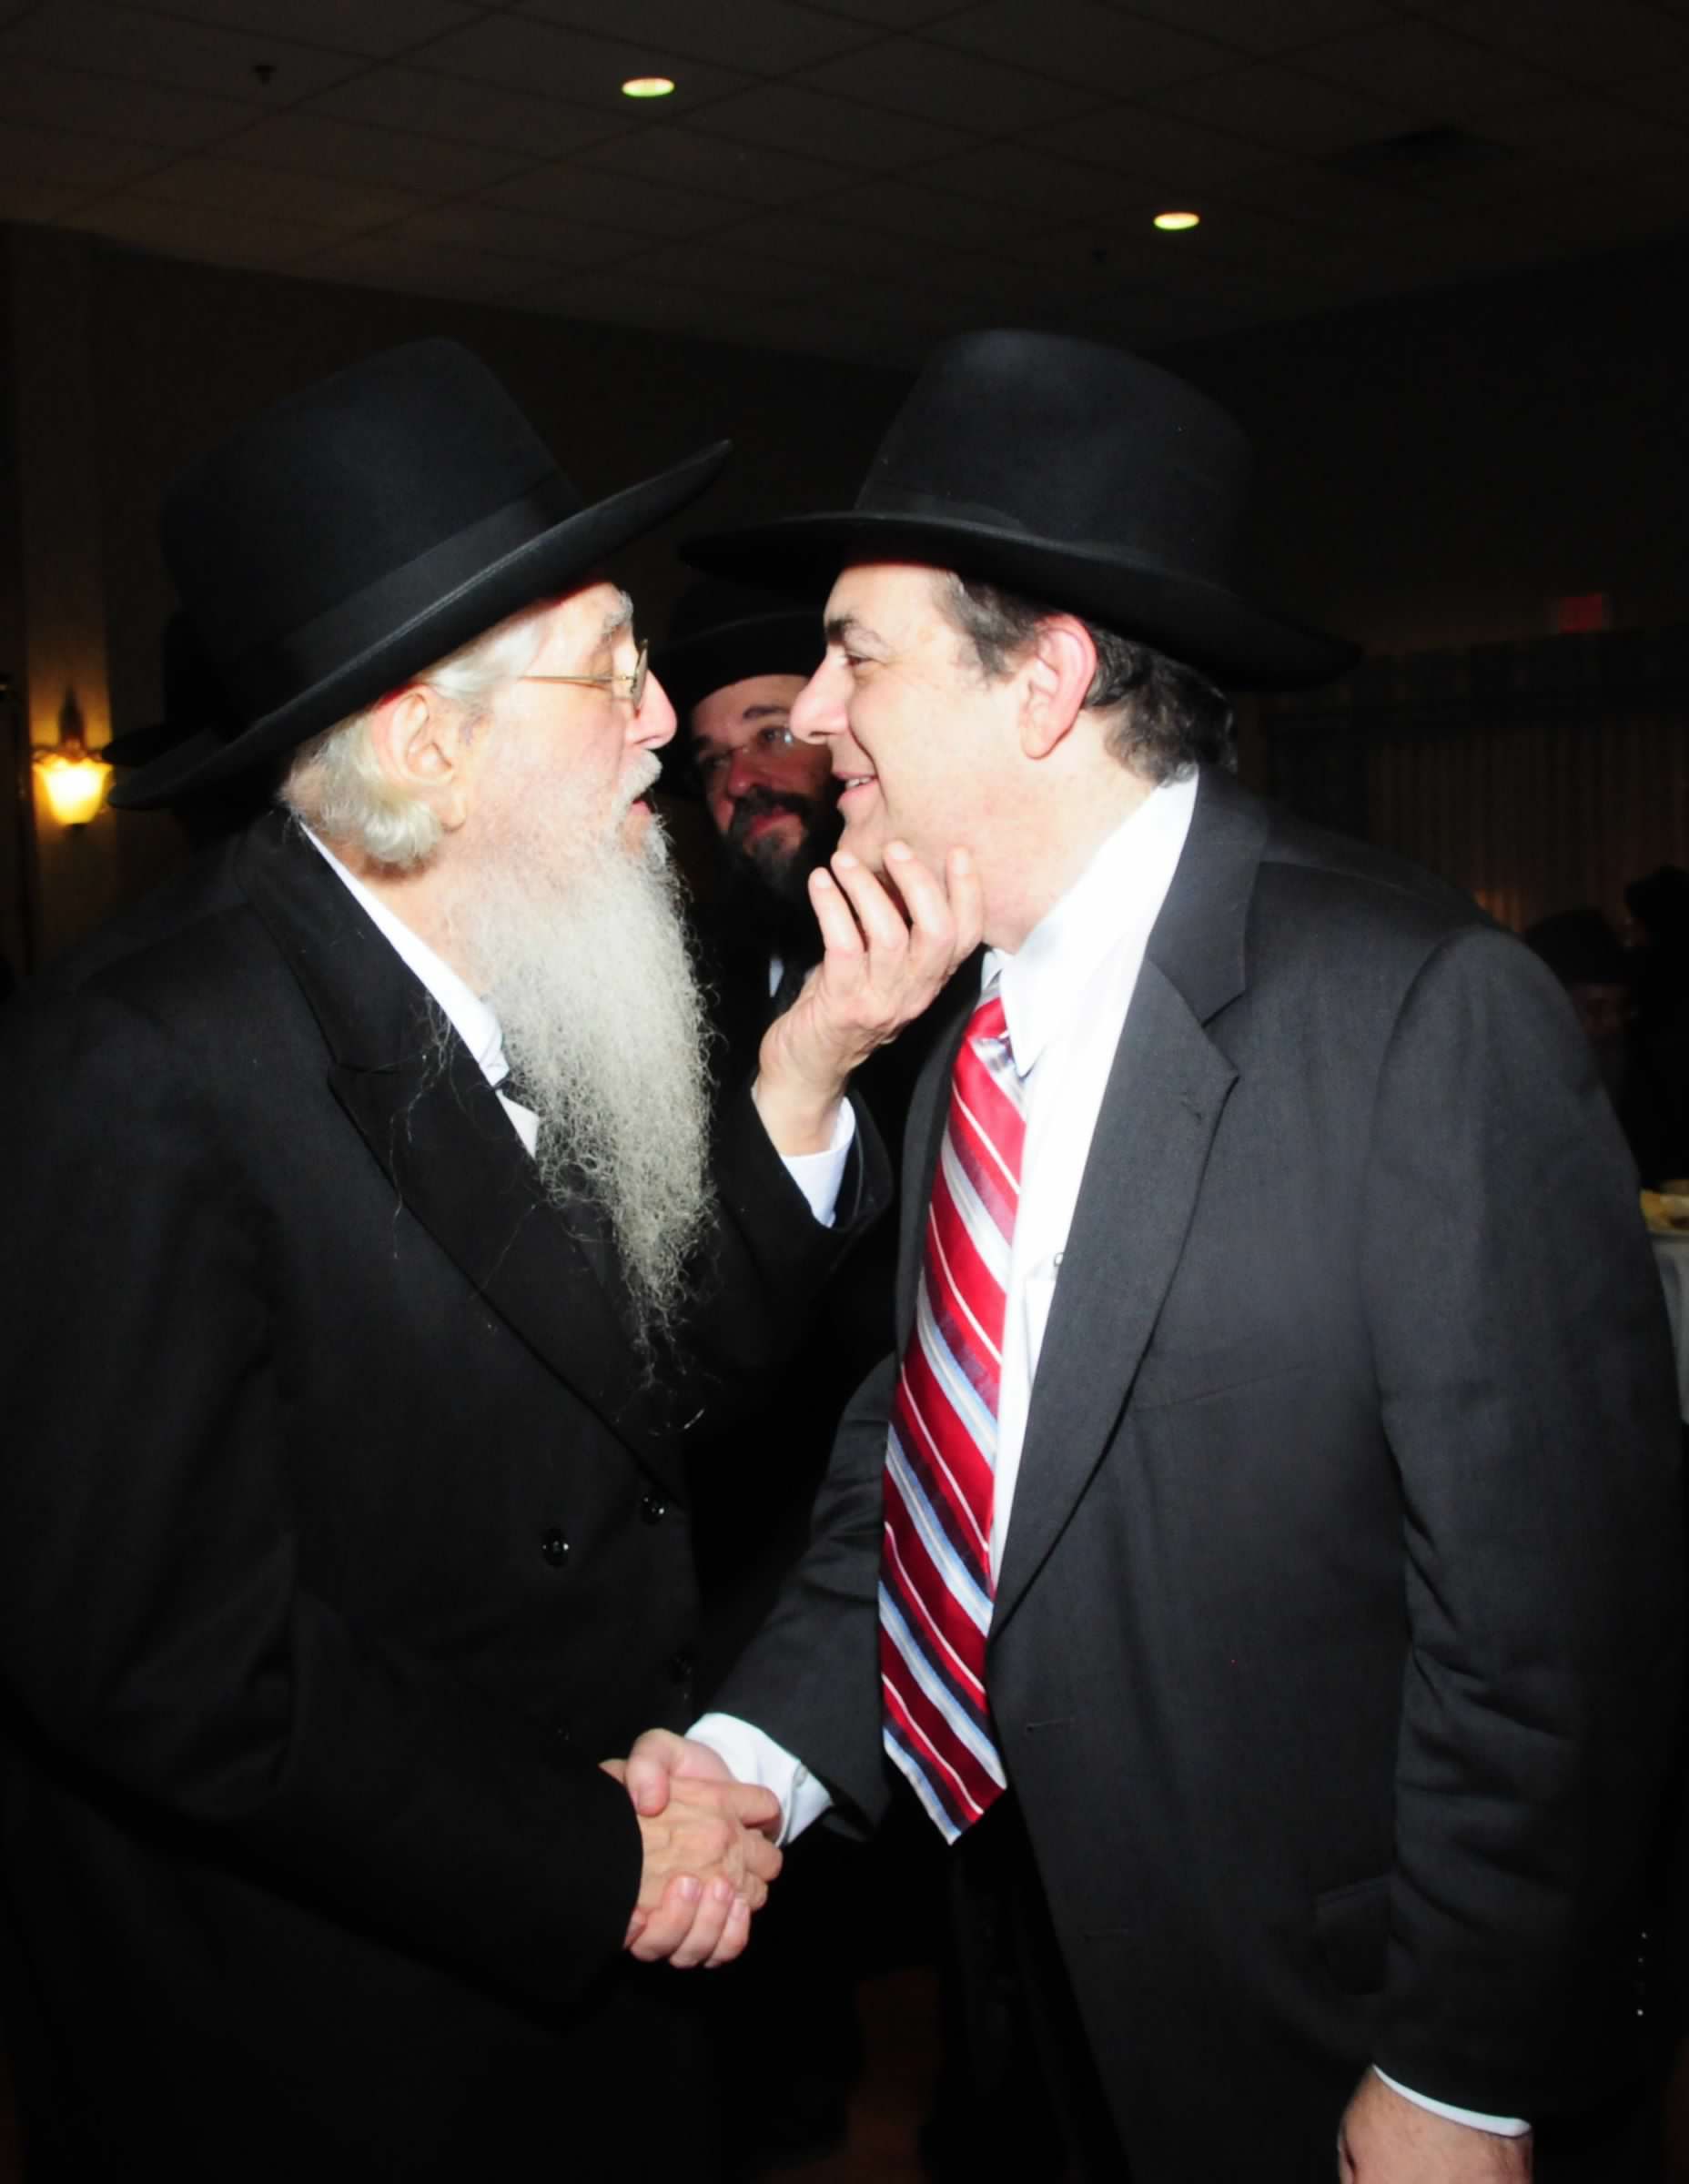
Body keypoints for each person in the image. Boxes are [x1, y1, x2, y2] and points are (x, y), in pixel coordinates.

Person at [617, 329, 1684, 2182]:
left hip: (1328, 2026)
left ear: (1045, 683)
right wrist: (750, 1757)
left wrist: (1457, 2067)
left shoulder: (1419, 1013)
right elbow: (928, 1469)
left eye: (859, 651)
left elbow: (1557, 1621)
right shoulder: (957, 1018)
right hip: (1022, 1988)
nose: (809, 705)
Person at [0, 339, 976, 2180]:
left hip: (556, 1985)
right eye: (606, 669)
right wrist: (594, 1852)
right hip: (319, 2026)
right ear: (428, 742)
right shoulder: (134, 1066)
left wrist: (810, 1058)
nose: (662, 719)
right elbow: (153, 1655)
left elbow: (642, 1388)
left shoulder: (524, 968)